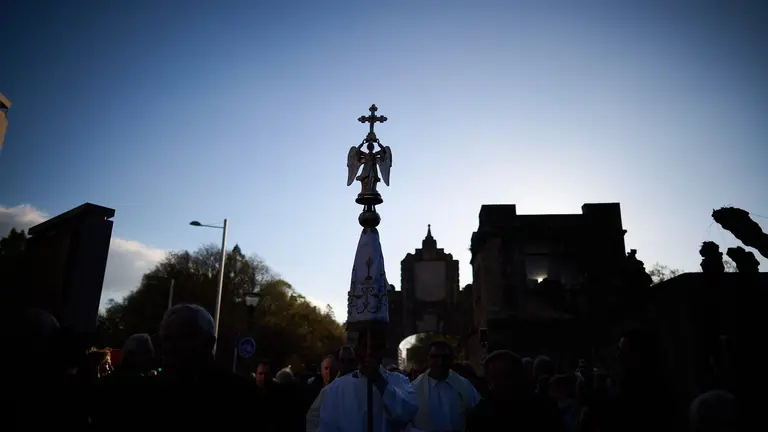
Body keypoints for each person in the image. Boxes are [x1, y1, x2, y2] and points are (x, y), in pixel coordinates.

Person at [319, 327, 418, 432]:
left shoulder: (400, 382)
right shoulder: (336, 389)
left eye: (376, 347)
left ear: (383, 351)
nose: (370, 352)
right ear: (357, 350)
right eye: (365, 346)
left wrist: (378, 379)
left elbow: (405, 415)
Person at [466, 350, 564, 432]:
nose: (502, 382)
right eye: (497, 377)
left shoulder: (544, 408)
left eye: (507, 376)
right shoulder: (480, 415)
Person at [408, 340, 481, 431]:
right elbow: (406, 423)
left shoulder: (465, 386)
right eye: (435, 357)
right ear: (427, 359)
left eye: (445, 357)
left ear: (451, 360)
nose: (440, 362)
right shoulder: (414, 389)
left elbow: (478, 414)